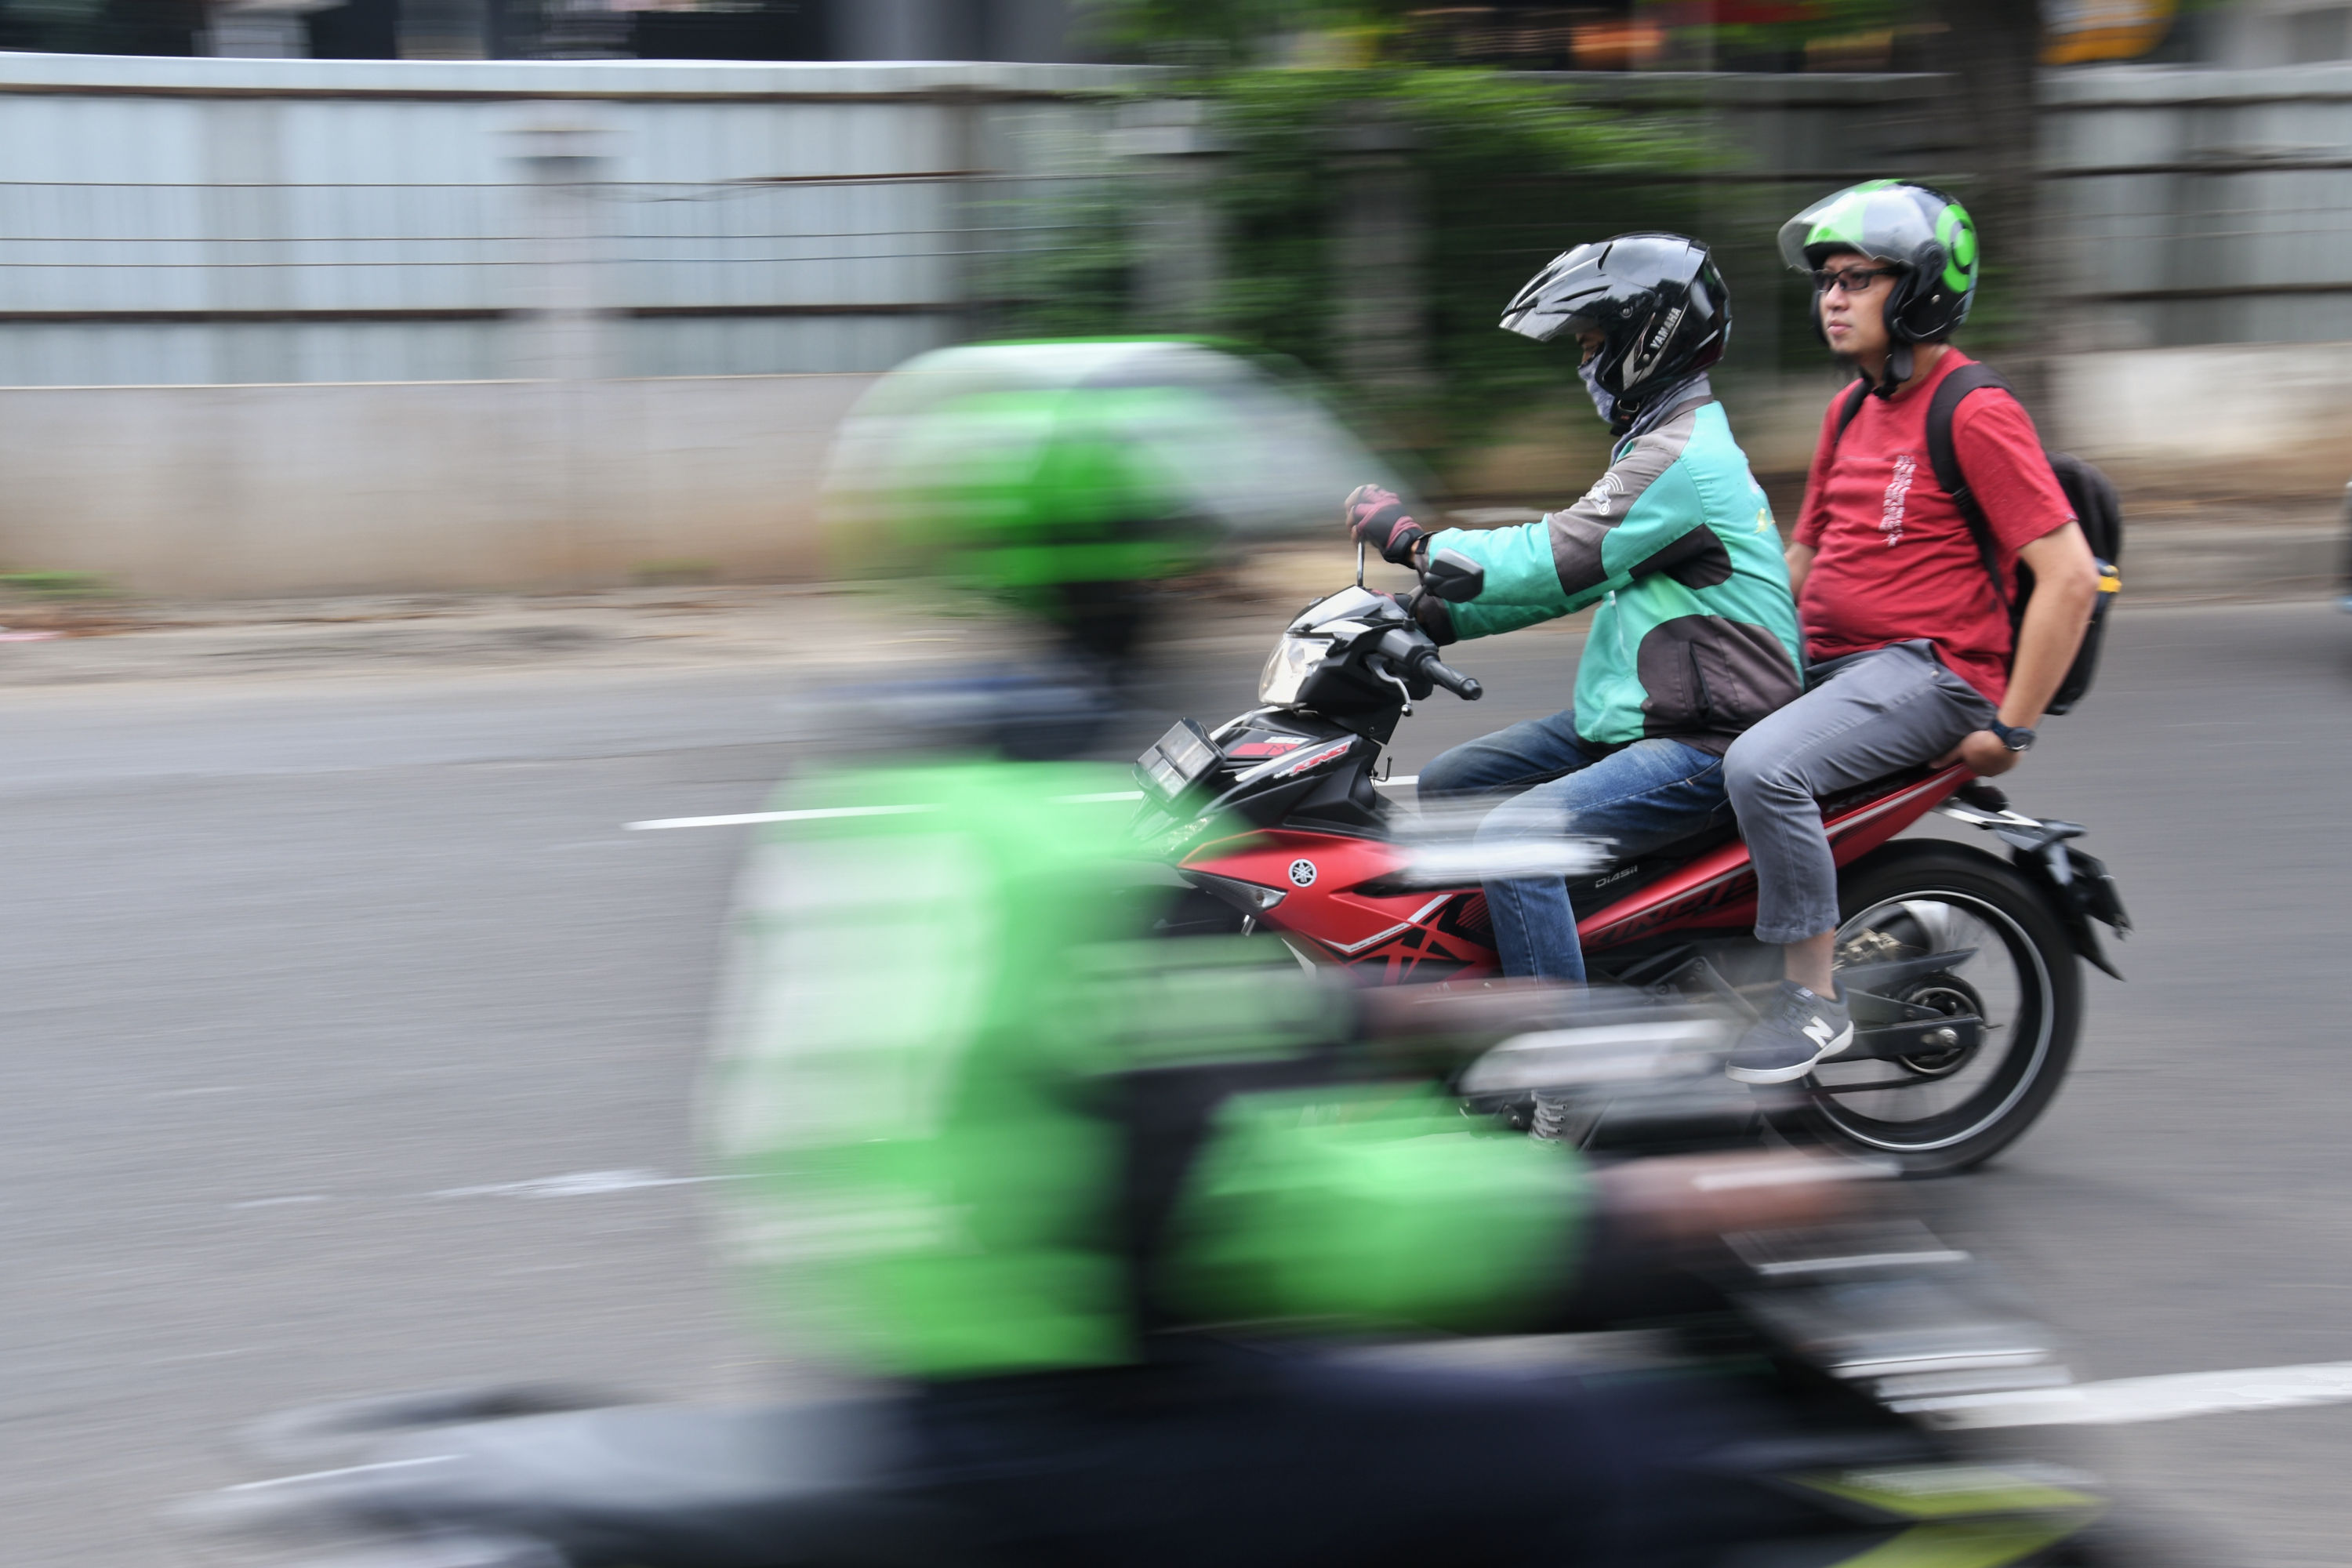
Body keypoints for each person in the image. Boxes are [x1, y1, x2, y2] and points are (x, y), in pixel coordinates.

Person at [708, 339, 1849, 1568]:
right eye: (1180, 568)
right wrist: (1619, 1223)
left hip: (920, 1387)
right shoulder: (1069, 874)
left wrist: (1388, 1023)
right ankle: (1553, 1091)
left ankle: (1538, 997)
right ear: (1118, 580)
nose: (1193, 588)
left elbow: (1081, 1054)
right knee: (1629, 1461)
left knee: (1491, 826)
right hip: (1083, 1426)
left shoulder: (900, 807)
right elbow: (1290, 1216)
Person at [1720, 181, 2103, 1086]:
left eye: (1858, 278)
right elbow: (1804, 554)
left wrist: (2011, 728)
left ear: (1924, 288)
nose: (1833, 298)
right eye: (1825, 281)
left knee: (1764, 767)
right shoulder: (1850, 408)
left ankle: (1812, 1001)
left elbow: (2071, 576)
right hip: (1839, 667)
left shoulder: (1973, 410)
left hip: (1932, 672)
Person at [1348, 233, 1802, 983]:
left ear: (1647, 340)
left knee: (1515, 834)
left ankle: (1559, 1060)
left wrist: (1416, 543)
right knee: (1451, 783)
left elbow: (1556, 552)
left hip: (1708, 737)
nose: (1583, 361)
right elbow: (1580, 577)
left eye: (1593, 341)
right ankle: (1559, 955)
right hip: (1644, 716)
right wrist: (1427, 616)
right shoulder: (1657, 447)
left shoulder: (1681, 458)